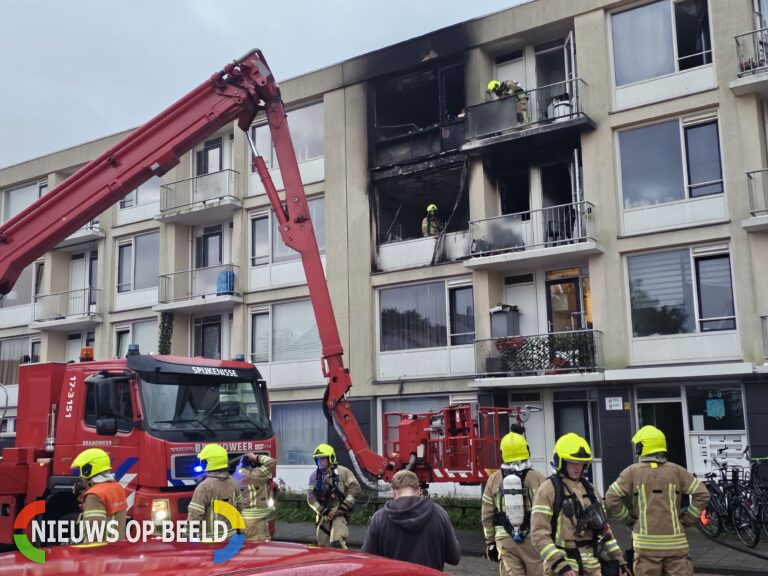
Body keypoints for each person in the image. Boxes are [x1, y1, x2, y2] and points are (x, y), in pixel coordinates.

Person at [605, 425, 710, 576]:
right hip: (676, 546)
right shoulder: (677, 471)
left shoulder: (632, 472)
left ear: (642, 447)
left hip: (645, 548)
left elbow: (611, 498)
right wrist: (687, 520)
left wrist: (628, 519)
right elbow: (702, 494)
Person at [531, 433, 630, 576]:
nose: (577, 467)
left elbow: (605, 531)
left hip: (592, 565)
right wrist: (560, 565)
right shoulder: (548, 489)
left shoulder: (590, 490)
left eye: (581, 463)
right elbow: (539, 534)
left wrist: (620, 561)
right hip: (564, 566)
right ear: (560, 462)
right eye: (572, 462)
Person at [362, 470, 460, 571]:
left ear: (394, 492)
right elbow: (454, 558)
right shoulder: (439, 513)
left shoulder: (379, 518)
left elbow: (367, 559)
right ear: (418, 491)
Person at [482, 432, 545, 576]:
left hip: (505, 540)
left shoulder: (494, 479)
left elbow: (487, 515)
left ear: (503, 453)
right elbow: (548, 512)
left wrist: (490, 542)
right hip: (533, 539)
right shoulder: (538, 478)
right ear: (526, 450)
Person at [307, 443, 361, 548]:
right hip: (323, 517)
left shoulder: (343, 472)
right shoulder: (314, 476)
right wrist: (323, 511)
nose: (320, 462)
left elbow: (355, 489)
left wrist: (343, 507)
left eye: (322, 459)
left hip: (339, 515)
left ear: (330, 458)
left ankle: (342, 563)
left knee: (337, 544)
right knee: (322, 548)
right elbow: (310, 497)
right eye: (317, 459)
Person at [187, 443, 242, 540]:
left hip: (209, 541)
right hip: (230, 538)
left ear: (209, 463)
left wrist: (185, 536)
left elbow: (195, 516)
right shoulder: (234, 482)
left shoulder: (204, 487)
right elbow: (240, 509)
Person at [72, 448, 128, 542]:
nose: (80, 476)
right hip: (117, 549)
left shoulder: (94, 495)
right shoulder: (117, 487)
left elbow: (94, 533)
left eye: (81, 470)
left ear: (87, 470)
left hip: (100, 552)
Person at [236, 451, 277, 542]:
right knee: (258, 549)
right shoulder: (255, 475)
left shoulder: (238, 474)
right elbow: (271, 462)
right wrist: (255, 457)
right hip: (255, 521)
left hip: (249, 520)